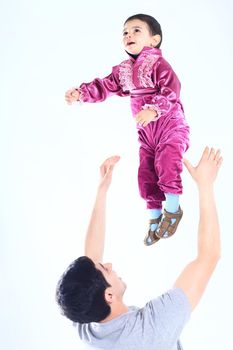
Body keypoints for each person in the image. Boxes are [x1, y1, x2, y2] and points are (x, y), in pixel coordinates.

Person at [56, 146, 222, 350]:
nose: (108, 264)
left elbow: (91, 261)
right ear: (109, 296)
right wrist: (205, 185)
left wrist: (102, 190)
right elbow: (208, 257)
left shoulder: (86, 318)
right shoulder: (152, 329)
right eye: (105, 270)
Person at [65, 14, 190, 245]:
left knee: (167, 163)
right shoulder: (124, 71)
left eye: (136, 30)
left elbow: (172, 90)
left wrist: (153, 110)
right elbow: (104, 86)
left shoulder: (158, 64)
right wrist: (81, 93)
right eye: (125, 32)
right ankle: (154, 217)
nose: (128, 35)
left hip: (170, 126)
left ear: (154, 40)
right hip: (147, 135)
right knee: (145, 174)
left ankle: (173, 210)